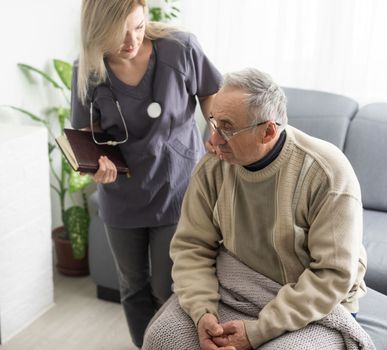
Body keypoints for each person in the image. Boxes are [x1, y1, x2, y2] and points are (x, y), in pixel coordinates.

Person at [163, 68, 368, 349]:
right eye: (213, 123)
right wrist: (203, 313)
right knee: (164, 337)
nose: (213, 140)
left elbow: (331, 276)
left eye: (227, 128)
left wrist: (258, 331)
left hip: (316, 301)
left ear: (268, 131)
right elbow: (191, 246)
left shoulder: (327, 173)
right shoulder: (213, 166)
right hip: (239, 283)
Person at [70, 0, 222, 348]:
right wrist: (97, 167)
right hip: (122, 196)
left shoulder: (180, 48)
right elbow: (86, 135)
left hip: (177, 186)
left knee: (167, 288)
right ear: (96, 31)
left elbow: (211, 92)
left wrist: (217, 129)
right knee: (133, 287)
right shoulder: (88, 68)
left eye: (138, 27)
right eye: (118, 33)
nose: (131, 41)